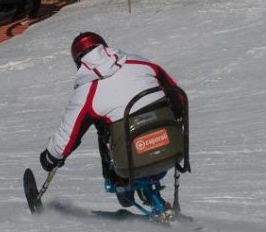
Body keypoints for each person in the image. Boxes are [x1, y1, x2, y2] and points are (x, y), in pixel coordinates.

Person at [38, 32, 188, 217]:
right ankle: (146, 189)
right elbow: (178, 97)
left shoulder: (88, 90)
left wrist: (50, 158)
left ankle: (121, 184)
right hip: (172, 148)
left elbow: (69, 135)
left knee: (105, 132)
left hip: (131, 163)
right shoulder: (140, 63)